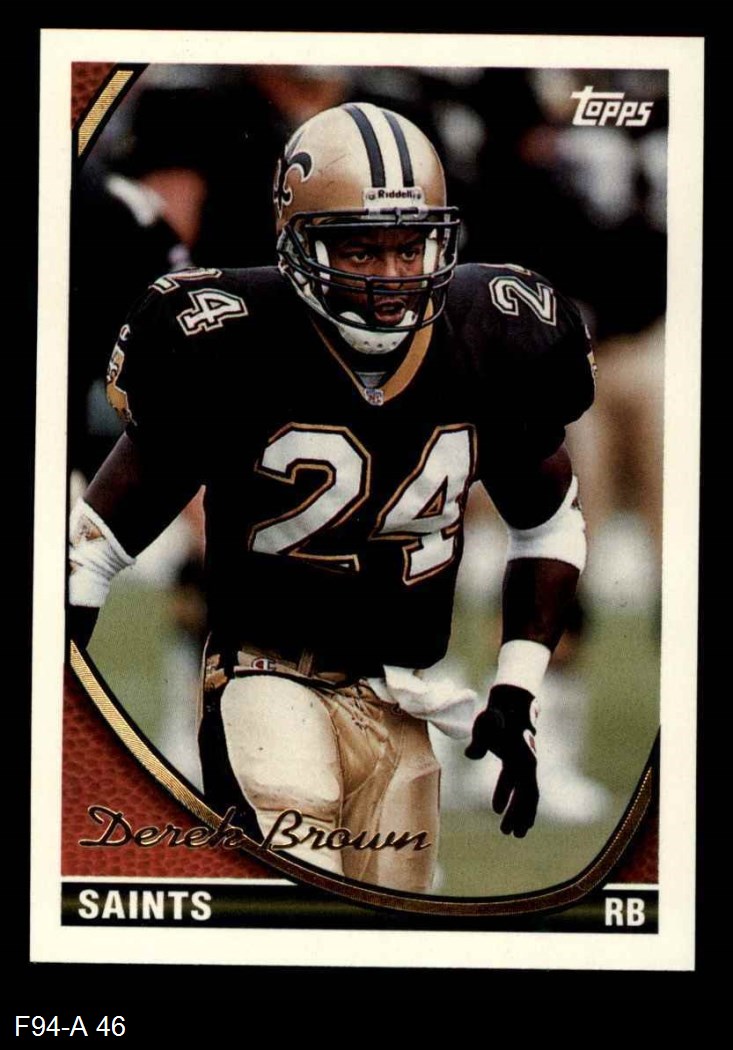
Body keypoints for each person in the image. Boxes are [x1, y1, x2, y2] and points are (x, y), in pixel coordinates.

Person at [68, 102, 595, 894]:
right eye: (360, 248)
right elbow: (94, 545)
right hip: (264, 676)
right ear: (297, 244)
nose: (391, 276)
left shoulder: (492, 334)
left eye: (409, 246)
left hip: (399, 691)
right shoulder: (226, 337)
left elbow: (548, 525)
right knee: (300, 894)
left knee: (391, 918)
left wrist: (517, 689)